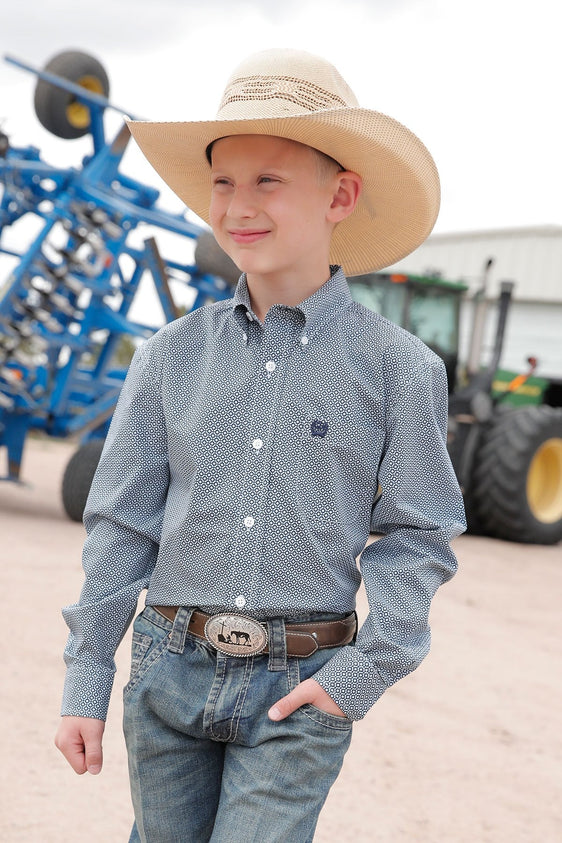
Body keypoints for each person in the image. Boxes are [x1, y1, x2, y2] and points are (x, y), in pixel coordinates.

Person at [55, 48, 466, 842]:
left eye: (267, 180)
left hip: (301, 684)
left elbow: (420, 535)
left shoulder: (400, 371)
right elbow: (121, 525)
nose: (238, 205)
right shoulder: (167, 356)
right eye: (224, 182)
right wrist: (86, 675)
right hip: (167, 668)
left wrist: (358, 674)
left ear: (341, 193)